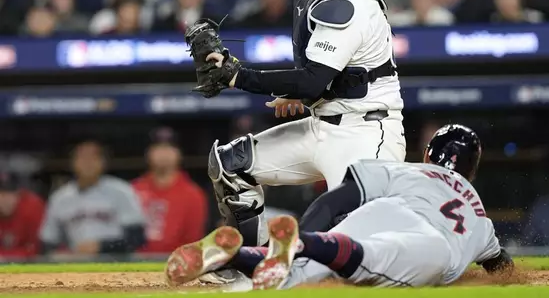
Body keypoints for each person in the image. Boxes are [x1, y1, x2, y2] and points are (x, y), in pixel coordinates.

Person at [182, 0, 406, 281]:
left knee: (360, 260)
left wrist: (239, 77)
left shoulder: (353, 4)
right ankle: (242, 270)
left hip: (366, 134)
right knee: (231, 165)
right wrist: (302, 95)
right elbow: (318, 77)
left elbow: (312, 81)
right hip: (322, 124)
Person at [165, 124, 513, 290]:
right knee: (368, 260)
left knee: (297, 274)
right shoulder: (478, 215)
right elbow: (501, 266)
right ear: (472, 170)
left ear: (428, 155)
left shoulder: (407, 170)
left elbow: (336, 200)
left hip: (381, 211)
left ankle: (234, 254)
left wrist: (307, 231)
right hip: (430, 240)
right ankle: (299, 245)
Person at [39, 140, 147, 257]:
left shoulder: (121, 191)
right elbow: (47, 242)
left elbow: (137, 238)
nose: (88, 163)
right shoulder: (60, 198)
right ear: (73, 162)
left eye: (93, 158)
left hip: (115, 263)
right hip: (76, 265)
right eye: (82, 158)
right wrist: (61, 253)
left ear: (103, 162)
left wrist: (102, 246)